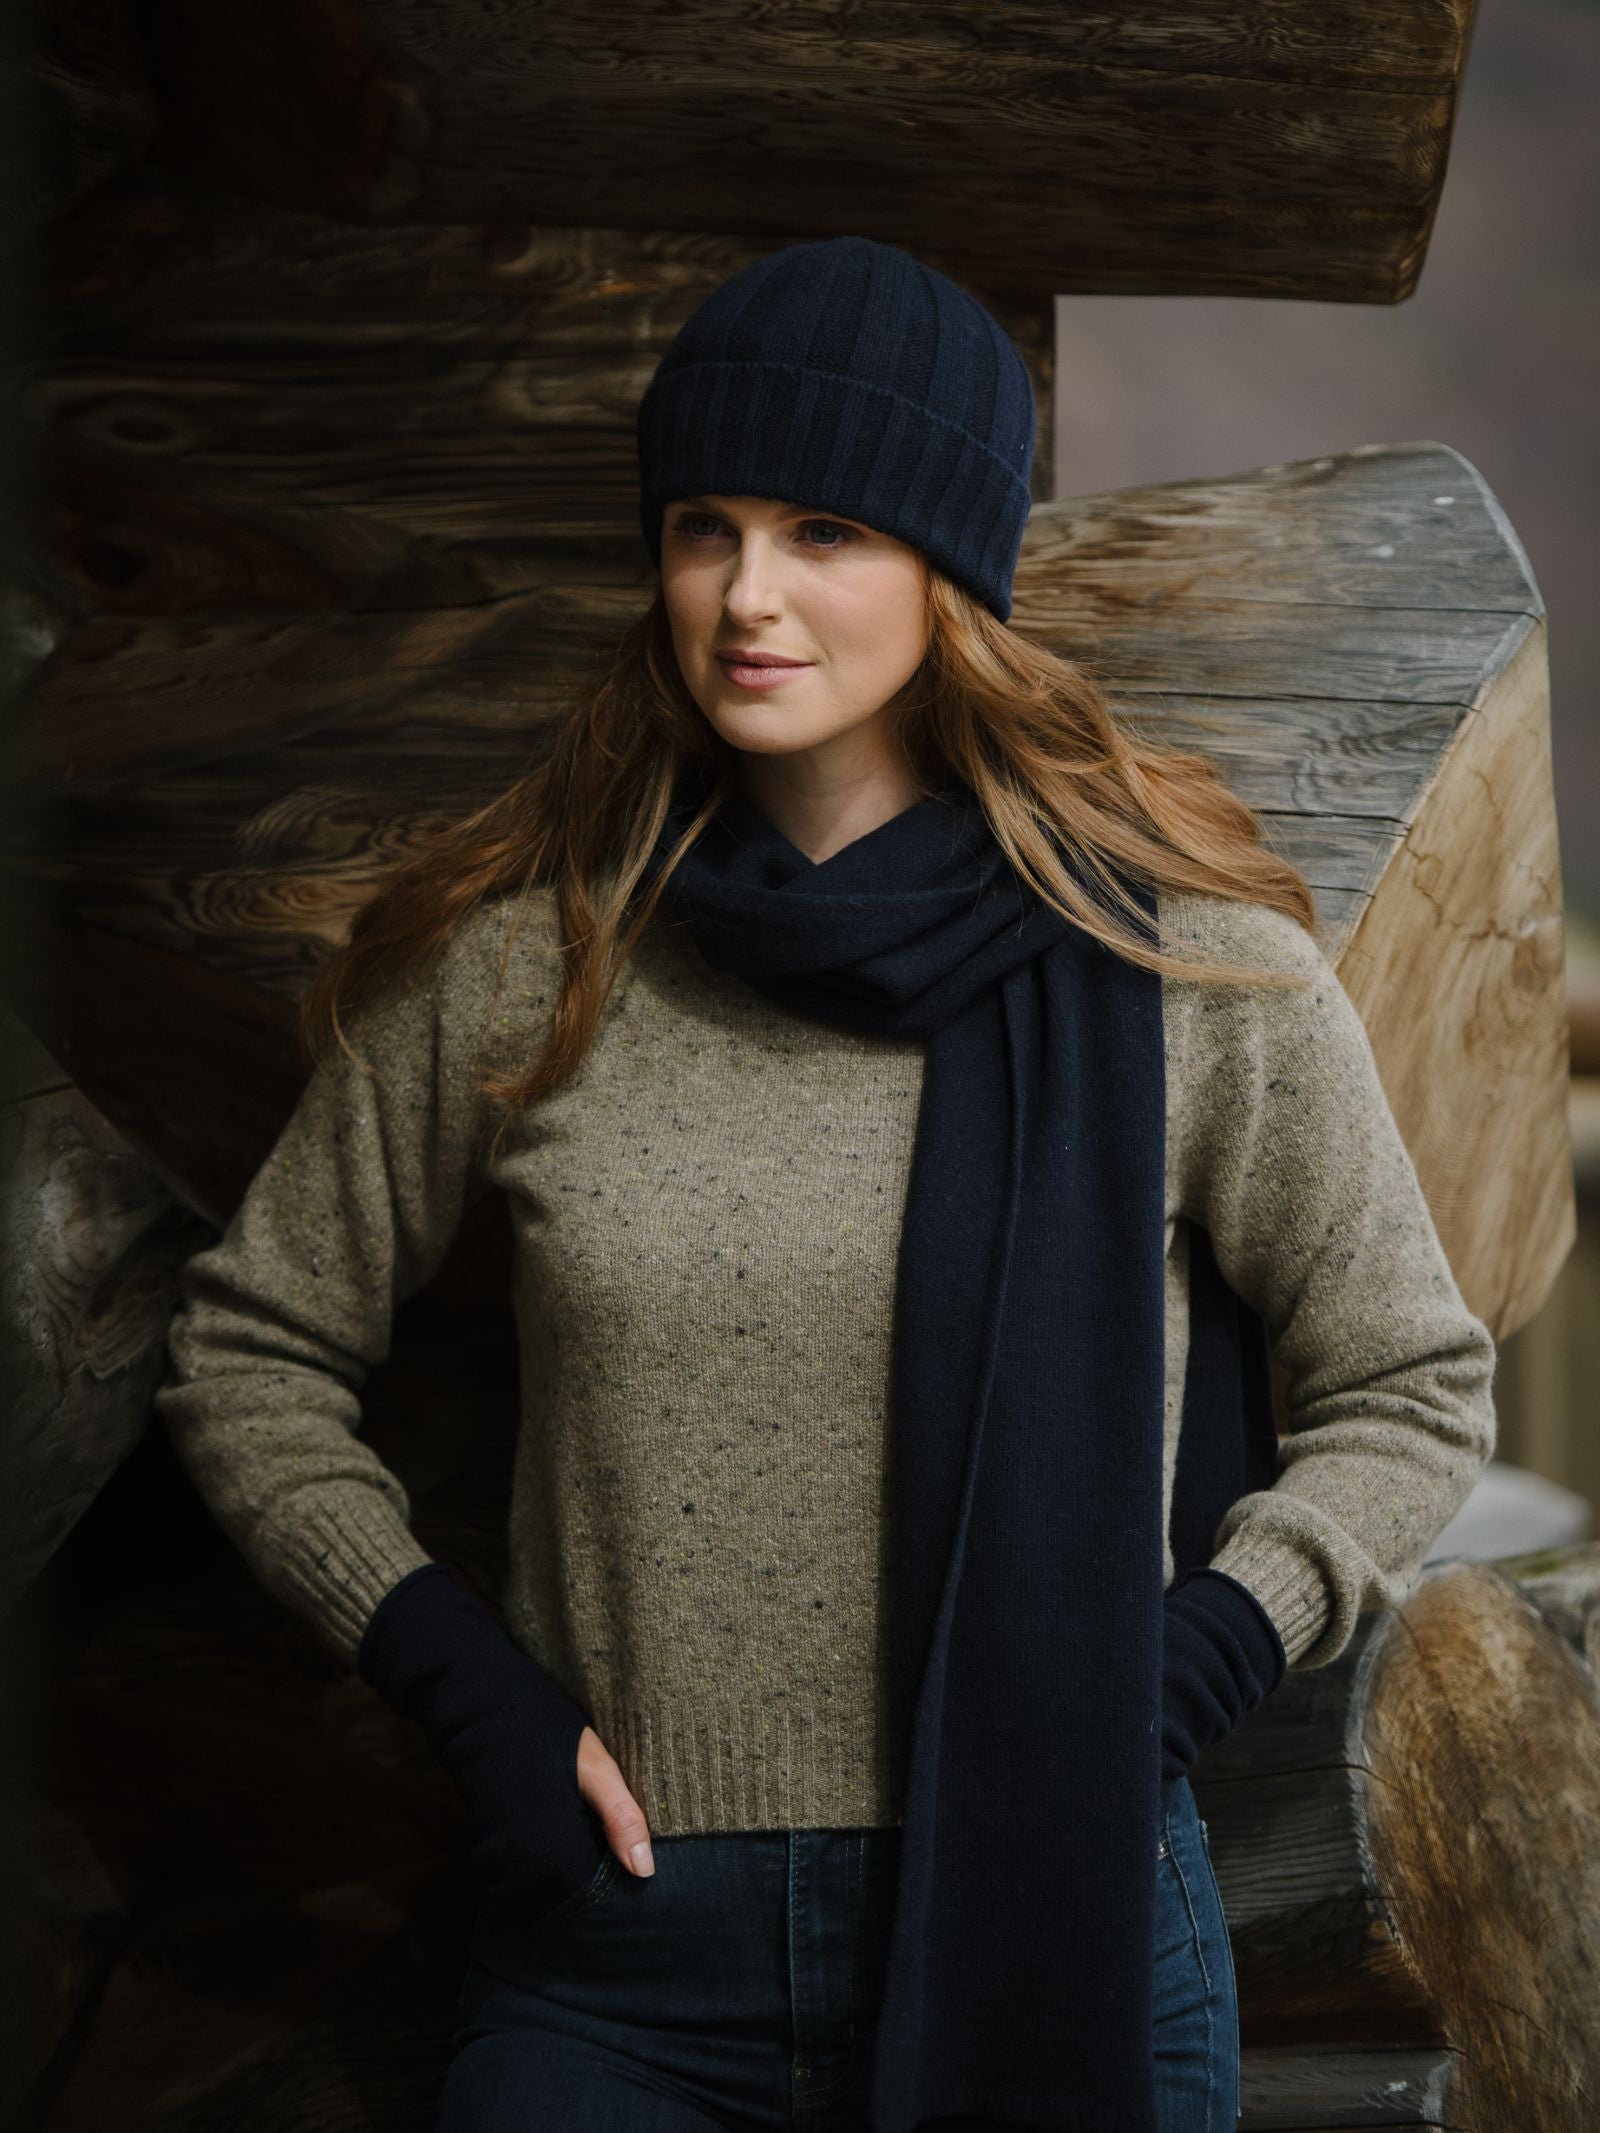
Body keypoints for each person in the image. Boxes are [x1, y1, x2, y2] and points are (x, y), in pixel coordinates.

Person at [155, 234, 1498, 2133]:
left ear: (951, 573)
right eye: (703, 528)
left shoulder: (1181, 971)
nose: (748, 595)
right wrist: (465, 1688)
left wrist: (1182, 1668)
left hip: (1064, 1923)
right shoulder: (536, 969)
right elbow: (248, 1352)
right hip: (622, 1962)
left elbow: (1415, 1382)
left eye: (826, 531)